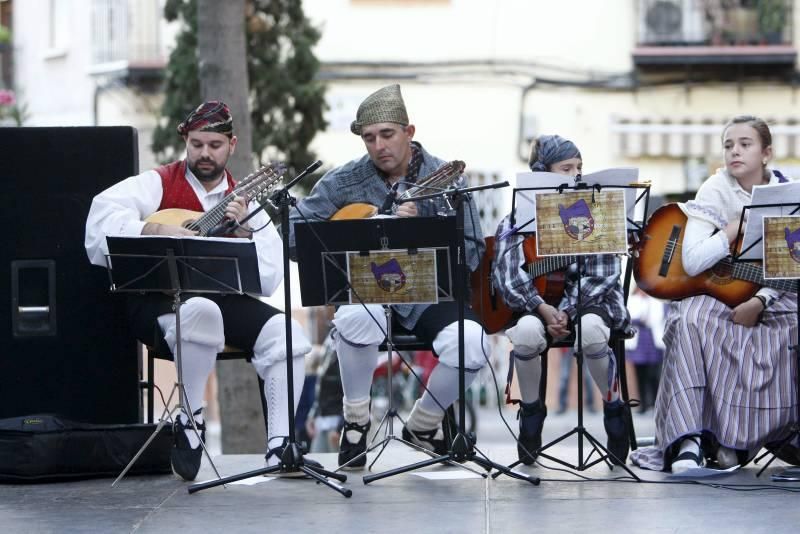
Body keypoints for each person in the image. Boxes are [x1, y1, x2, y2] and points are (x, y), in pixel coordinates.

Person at [85, 101, 312, 481]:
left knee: (287, 335)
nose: (204, 153)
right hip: (156, 302)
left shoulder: (244, 201)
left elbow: (270, 276)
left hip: (223, 302)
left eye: (214, 144)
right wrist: (156, 230)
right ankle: (189, 424)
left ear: (232, 144)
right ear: (186, 142)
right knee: (202, 312)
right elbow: (100, 216)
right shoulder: (160, 182)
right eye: (196, 144)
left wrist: (248, 231)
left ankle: (280, 446)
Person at [288, 84, 489, 468]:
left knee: (473, 345)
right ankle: (356, 423)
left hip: (429, 294)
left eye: (387, 134)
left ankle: (424, 424)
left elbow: (474, 248)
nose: (379, 145)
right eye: (369, 138)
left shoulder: (447, 179)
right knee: (355, 317)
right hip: (367, 290)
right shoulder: (342, 182)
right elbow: (295, 233)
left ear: (409, 132)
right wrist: (353, 231)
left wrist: (423, 228)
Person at [630, 115, 798, 473]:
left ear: (766, 153)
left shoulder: (788, 193)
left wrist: (759, 300)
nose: (734, 151)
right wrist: (734, 226)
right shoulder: (714, 190)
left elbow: (785, 266)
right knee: (691, 319)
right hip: (716, 295)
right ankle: (688, 440)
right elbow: (692, 263)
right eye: (728, 145)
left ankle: (749, 438)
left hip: (772, 292)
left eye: (745, 144)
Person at [492, 134, 631, 466]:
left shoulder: (598, 212)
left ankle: (613, 406)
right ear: (544, 174)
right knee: (525, 335)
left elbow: (605, 270)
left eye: (579, 168)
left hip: (593, 299)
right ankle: (531, 413)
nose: (577, 176)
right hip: (535, 303)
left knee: (594, 331)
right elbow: (506, 274)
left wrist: (566, 311)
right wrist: (541, 307)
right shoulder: (516, 220)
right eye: (567, 168)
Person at [625, 286, 665, 414]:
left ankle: (655, 404)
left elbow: (660, 318)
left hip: (653, 343)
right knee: (640, 375)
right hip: (638, 343)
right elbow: (629, 317)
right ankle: (643, 405)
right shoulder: (632, 300)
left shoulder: (657, 301)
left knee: (654, 375)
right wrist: (639, 319)